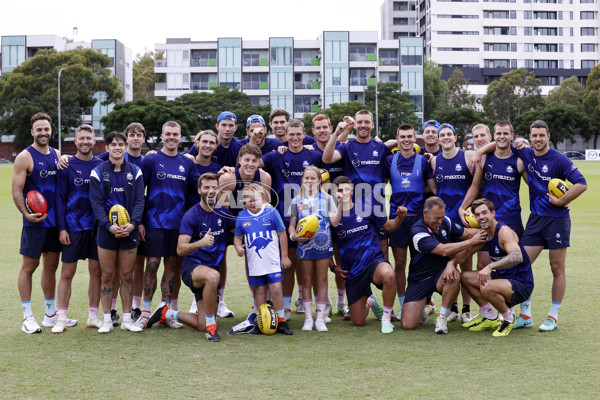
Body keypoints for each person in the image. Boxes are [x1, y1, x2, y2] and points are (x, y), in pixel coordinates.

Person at [475, 119, 587, 331]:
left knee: (556, 267)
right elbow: (501, 142)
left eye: (541, 135)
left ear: (548, 136)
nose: (538, 139)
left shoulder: (559, 159)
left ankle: (553, 316)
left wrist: (562, 201)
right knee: (520, 264)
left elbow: (581, 183)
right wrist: (479, 152)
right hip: (535, 219)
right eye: (534, 136)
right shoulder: (524, 154)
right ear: (529, 137)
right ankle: (525, 315)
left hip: (557, 220)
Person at [148, 173, 236, 342]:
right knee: (213, 277)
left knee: (201, 323)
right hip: (192, 268)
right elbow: (180, 249)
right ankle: (212, 329)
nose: (211, 191)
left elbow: (240, 230)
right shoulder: (192, 215)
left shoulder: (223, 213)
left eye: (214, 187)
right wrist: (200, 243)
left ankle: (166, 313)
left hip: (210, 273)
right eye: (206, 187)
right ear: (199, 190)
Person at [136, 121, 198, 329]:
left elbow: (195, 194)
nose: (172, 137)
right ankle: (145, 311)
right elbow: (139, 193)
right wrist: (140, 222)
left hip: (178, 226)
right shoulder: (151, 160)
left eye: (175, 134)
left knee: (171, 268)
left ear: (180, 137)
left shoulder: (187, 163)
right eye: (168, 134)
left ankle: (165, 312)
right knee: (152, 265)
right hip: (154, 224)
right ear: (162, 136)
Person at [12, 112, 69, 333]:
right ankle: (27, 317)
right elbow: (17, 190)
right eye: (39, 129)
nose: (43, 132)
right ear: (32, 132)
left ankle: (51, 314)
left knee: (51, 267)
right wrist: (27, 214)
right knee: (29, 267)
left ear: (51, 130)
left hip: (55, 223)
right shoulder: (25, 157)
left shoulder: (57, 154)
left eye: (46, 129)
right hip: (35, 222)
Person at [259, 120, 321, 320]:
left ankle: (318, 306)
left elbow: (331, 161)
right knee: (288, 265)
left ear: (304, 135)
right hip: (284, 219)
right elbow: (252, 161)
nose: (294, 138)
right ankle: (285, 307)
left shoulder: (313, 155)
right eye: (290, 134)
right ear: (284, 135)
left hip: (310, 218)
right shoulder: (277, 155)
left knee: (311, 264)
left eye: (298, 134)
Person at [330, 176, 407, 334]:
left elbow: (389, 226)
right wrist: (333, 267)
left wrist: (399, 218)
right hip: (353, 270)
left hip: (373, 261)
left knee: (389, 274)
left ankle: (386, 318)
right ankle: (370, 301)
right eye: (338, 190)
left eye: (345, 190)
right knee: (358, 322)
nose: (342, 193)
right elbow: (324, 245)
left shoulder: (367, 208)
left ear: (351, 191)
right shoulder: (332, 218)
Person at [401, 197, 486, 334]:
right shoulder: (417, 232)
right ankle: (423, 302)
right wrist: (472, 242)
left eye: (442, 217)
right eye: (436, 218)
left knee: (454, 276)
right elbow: (443, 249)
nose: (440, 221)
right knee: (407, 324)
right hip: (419, 279)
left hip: (441, 274)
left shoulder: (445, 221)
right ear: (425, 214)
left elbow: (465, 233)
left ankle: (442, 318)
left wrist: (488, 231)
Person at [90, 131, 145, 333]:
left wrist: (132, 224)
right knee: (107, 275)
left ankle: (127, 319)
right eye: (113, 144)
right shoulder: (98, 172)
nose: (117, 147)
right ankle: (106, 319)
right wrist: (109, 225)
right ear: (107, 148)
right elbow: (95, 204)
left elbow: (140, 201)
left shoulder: (135, 171)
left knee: (127, 275)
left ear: (125, 146)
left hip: (129, 231)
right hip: (107, 232)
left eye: (121, 144)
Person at [322, 109, 395, 255]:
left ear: (372, 125)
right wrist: (336, 133)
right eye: (360, 122)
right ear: (355, 126)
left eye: (367, 122)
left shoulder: (381, 148)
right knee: (351, 261)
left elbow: (386, 176)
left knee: (382, 259)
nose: (363, 125)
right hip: (353, 215)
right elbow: (327, 159)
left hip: (377, 213)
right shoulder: (346, 147)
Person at [54, 124, 104, 333]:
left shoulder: (101, 165)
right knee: (67, 272)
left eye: (88, 138)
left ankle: (93, 316)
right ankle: (61, 318)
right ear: (75, 142)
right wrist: (61, 228)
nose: (85, 141)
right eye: (81, 138)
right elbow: (59, 199)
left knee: (96, 272)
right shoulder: (66, 165)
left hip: (96, 228)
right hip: (73, 227)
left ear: (94, 141)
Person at [459, 121, 527, 273]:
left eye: (505, 133)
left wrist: (562, 201)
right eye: (499, 133)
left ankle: (516, 296)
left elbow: (534, 185)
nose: (502, 136)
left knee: (513, 265)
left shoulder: (519, 160)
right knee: (482, 265)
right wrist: (462, 208)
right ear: (494, 136)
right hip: (488, 220)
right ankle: (490, 297)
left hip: (511, 219)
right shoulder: (484, 159)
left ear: (512, 136)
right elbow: (475, 187)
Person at [460, 198, 534, 337]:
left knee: (486, 286)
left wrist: (490, 266)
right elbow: (467, 252)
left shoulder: (503, 231)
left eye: (484, 213)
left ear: (493, 213)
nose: (481, 217)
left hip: (521, 284)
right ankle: (489, 317)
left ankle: (508, 319)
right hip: (503, 280)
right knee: (465, 277)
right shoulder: (486, 233)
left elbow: (517, 256)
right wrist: (451, 265)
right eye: (477, 214)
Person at [384, 124, 435, 321]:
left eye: (409, 136)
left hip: (418, 219)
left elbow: (434, 189)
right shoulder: (389, 160)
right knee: (400, 263)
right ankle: (404, 303)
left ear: (415, 139)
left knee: (419, 263)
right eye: (402, 136)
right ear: (397, 139)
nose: (406, 140)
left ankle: (421, 302)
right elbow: (379, 185)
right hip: (397, 219)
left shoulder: (423, 162)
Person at [431, 123, 479, 323]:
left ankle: (467, 308)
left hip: (463, 219)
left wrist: (464, 208)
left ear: (455, 136)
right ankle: (453, 308)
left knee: (466, 262)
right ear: (438, 139)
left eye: (449, 134)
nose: (446, 137)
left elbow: (476, 186)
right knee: (445, 264)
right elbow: (435, 190)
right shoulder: (434, 161)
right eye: (442, 135)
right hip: (443, 221)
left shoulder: (468, 156)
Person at [310, 113, 354, 318]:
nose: (321, 131)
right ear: (313, 132)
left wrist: (347, 129)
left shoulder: (340, 147)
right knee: (320, 257)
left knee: (341, 258)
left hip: (341, 210)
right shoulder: (310, 153)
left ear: (330, 128)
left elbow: (342, 141)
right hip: (318, 213)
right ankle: (323, 302)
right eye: (317, 128)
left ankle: (341, 302)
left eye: (325, 127)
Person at [233, 183, 293, 335]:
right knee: (259, 291)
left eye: (255, 199)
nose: (252, 203)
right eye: (248, 200)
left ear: (264, 199)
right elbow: (237, 237)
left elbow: (282, 234)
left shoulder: (271, 212)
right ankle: (262, 322)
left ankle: (281, 321)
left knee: (276, 288)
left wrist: (284, 256)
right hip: (255, 263)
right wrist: (238, 247)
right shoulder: (242, 216)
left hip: (272, 261)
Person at [289, 166, 340, 332]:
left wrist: (340, 206)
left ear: (319, 181)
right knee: (306, 282)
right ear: (302, 180)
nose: (309, 181)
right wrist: (293, 236)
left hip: (323, 245)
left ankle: (320, 318)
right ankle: (308, 319)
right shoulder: (296, 200)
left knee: (322, 281)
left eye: (313, 178)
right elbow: (292, 226)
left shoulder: (327, 199)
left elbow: (334, 223)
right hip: (304, 246)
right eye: (306, 178)